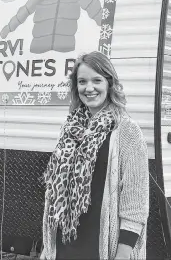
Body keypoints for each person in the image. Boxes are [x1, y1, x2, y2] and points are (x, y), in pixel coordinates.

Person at [40, 51, 149, 260]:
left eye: (96, 80)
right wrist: (48, 245)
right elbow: (54, 195)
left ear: (109, 83)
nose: (89, 88)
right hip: (64, 246)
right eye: (82, 81)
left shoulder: (126, 130)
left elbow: (135, 203)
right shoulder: (69, 129)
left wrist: (123, 254)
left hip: (101, 248)